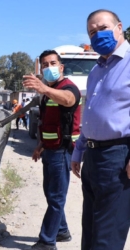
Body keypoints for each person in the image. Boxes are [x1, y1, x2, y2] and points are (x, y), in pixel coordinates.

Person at [71, 9, 130, 250]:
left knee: (107, 238)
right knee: (91, 231)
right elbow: (91, 113)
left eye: (103, 28)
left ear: (119, 27)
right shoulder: (96, 70)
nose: (97, 35)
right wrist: (79, 151)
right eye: (92, 32)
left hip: (118, 157)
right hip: (93, 158)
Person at [22, 49, 81, 250]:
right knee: (51, 193)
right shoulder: (48, 93)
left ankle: (47, 242)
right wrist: (39, 146)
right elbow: (48, 123)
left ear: (61, 67)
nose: (49, 68)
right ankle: (62, 230)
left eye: (53, 63)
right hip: (50, 150)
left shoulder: (68, 88)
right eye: (45, 65)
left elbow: (68, 100)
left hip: (62, 151)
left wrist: (43, 88)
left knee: (56, 197)